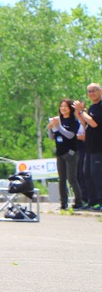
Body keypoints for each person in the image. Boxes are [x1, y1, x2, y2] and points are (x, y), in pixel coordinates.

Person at [47, 99, 82, 210]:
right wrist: (50, 129)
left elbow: (70, 135)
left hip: (70, 153)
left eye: (65, 106)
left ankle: (78, 201)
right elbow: (53, 137)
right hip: (60, 153)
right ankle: (63, 202)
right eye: (61, 106)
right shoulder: (59, 120)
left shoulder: (73, 121)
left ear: (70, 108)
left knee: (72, 178)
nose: (63, 108)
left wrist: (59, 126)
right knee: (61, 179)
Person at [74, 83, 102, 211]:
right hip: (89, 147)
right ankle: (92, 201)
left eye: (94, 90)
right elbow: (85, 123)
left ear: (100, 91)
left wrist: (82, 111)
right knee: (86, 174)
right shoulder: (91, 107)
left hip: (98, 147)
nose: (91, 93)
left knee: (97, 175)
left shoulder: (100, 106)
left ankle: (100, 201)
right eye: (89, 91)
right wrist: (79, 113)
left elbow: (94, 123)